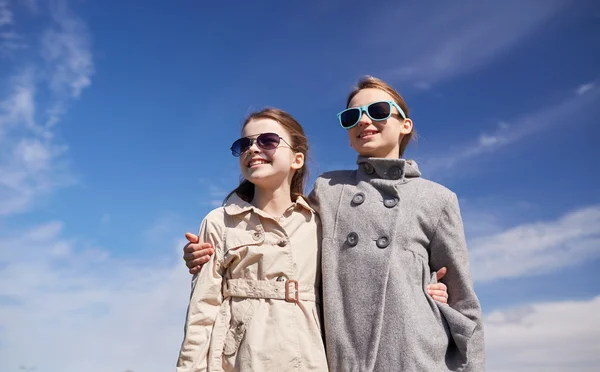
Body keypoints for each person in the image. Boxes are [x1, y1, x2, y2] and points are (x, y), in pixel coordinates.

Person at [183, 76, 482, 372]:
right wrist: (203, 254)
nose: (363, 121)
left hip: (415, 354)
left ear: (405, 124)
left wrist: (428, 292)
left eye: (377, 111)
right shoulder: (328, 189)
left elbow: (464, 302)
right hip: (343, 357)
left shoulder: (438, 199)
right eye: (353, 116)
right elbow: (278, 223)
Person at [176, 108, 329, 371]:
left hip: (309, 358)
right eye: (244, 144)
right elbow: (203, 310)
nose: (253, 149)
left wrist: (428, 278)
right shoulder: (220, 222)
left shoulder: (320, 221)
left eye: (267, 141)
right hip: (239, 361)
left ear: (297, 159)